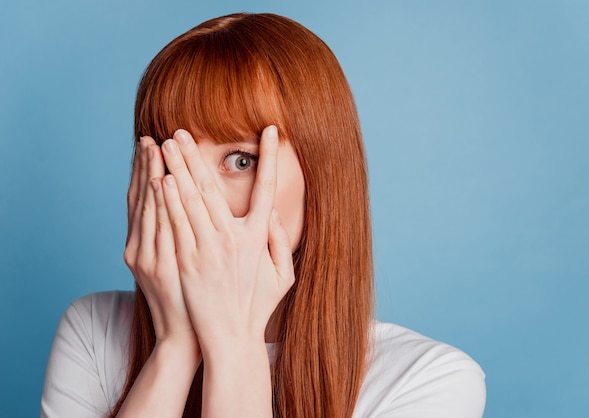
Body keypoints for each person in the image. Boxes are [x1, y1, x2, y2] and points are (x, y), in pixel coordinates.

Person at [41, 12, 486, 418]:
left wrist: (235, 345)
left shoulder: (429, 381)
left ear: (322, 176)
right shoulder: (93, 332)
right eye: (174, 159)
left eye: (240, 160)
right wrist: (174, 348)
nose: (199, 195)